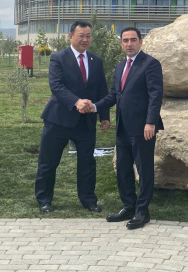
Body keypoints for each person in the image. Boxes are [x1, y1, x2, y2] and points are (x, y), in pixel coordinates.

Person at [79, 27, 163, 230]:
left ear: (140, 42)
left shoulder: (150, 64)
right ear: (121, 44)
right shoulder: (119, 67)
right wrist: (96, 107)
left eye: (133, 40)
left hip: (143, 128)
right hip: (123, 127)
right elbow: (114, 95)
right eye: (125, 40)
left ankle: (142, 211)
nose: (129, 44)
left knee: (144, 170)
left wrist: (150, 122)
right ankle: (129, 206)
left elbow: (155, 95)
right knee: (124, 170)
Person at [34, 20, 110, 214]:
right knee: (48, 161)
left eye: (88, 36)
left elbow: (102, 90)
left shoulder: (96, 61)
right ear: (70, 36)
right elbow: (57, 86)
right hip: (59, 119)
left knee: (87, 162)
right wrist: (77, 102)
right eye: (81, 35)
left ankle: (88, 200)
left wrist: (104, 116)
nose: (85, 39)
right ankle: (44, 199)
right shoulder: (58, 58)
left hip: (85, 121)